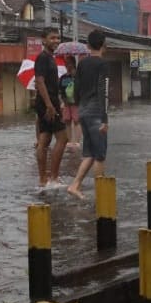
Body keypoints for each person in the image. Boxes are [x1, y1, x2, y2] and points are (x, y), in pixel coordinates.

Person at [66, 31, 109, 199]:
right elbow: (103, 91)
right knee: (100, 155)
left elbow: (76, 88)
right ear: (103, 44)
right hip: (96, 112)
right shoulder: (103, 65)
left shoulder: (82, 64)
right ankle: (102, 195)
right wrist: (105, 119)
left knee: (90, 154)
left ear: (89, 45)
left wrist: (78, 105)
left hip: (83, 111)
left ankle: (75, 185)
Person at [33, 27, 69, 188]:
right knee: (62, 138)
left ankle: (43, 179)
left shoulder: (49, 58)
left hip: (48, 101)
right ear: (44, 40)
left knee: (45, 139)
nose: (56, 41)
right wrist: (49, 105)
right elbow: (39, 81)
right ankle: (52, 177)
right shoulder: (43, 58)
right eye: (52, 38)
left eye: (57, 38)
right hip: (48, 103)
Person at [60, 56, 80, 150]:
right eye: (66, 63)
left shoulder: (79, 76)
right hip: (67, 103)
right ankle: (69, 141)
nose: (67, 65)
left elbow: (81, 88)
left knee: (77, 121)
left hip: (76, 102)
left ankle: (77, 142)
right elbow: (61, 89)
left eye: (69, 63)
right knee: (67, 121)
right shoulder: (63, 77)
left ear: (73, 64)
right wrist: (64, 100)